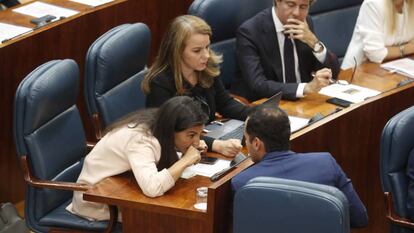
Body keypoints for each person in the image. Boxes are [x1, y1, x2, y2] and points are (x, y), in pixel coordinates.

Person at [67, 96, 208, 221]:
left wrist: (185, 152)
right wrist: (185, 160)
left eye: (199, 135)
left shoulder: (160, 123)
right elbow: (153, 188)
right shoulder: (140, 140)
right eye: (191, 135)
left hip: (122, 187)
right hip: (96, 200)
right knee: (168, 220)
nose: (196, 142)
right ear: (171, 129)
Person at [231, 105, 368, 228]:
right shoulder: (326, 163)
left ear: (256, 143)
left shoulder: (243, 183)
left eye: (246, 139)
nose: (246, 144)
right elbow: (359, 218)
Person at [142, 15, 251, 157]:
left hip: (207, 141)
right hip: (180, 154)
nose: (206, 55)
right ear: (177, 51)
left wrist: (256, 115)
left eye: (207, 47)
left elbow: (225, 104)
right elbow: (168, 133)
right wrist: (216, 144)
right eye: (197, 50)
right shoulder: (160, 83)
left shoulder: (206, 68)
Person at [231, 0, 340, 102]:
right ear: (277, 1)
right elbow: (258, 85)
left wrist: (314, 42)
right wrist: (306, 87)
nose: (297, 13)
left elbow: (333, 72)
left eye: (303, 7)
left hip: (301, 101)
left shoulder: (305, 23)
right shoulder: (250, 32)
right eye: (291, 4)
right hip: (264, 104)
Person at [342, 0, 414, 69]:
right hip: (360, 71)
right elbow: (375, 54)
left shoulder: (410, 4)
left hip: (396, 67)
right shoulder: (373, 3)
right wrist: (408, 48)